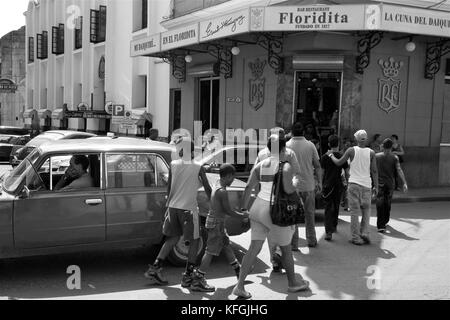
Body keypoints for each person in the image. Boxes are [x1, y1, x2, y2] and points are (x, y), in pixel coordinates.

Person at [233, 135, 310, 299]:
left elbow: (248, 188)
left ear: (268, 149)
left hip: (257, 207)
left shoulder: (261, 164)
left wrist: (243, 209)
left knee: (253, 248)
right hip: (274, 210)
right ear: (283, 149)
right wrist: (295, 184)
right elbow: (289, 190)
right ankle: (293, 284)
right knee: (286, 249)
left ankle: (239, 286)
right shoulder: (286, 166)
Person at [144, 138, 212, 288]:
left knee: (172, 238)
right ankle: (188, 276)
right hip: (188, 209)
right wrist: (213, 204)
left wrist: (168, 206)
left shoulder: (173, 165)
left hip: (173, 207)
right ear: (192, 151)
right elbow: (207, 187)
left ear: (181, 151)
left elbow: (169, 188)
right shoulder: (198, 166)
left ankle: (155, 267)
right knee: (195, 240)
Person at [192, 164, 249, 292]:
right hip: (217, 223)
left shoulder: (218, 184)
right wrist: (243, 215)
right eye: (233, 178)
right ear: (228, 176)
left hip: (216, 222)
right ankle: (198, 279)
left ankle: (238, 271)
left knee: (226, 245)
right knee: (210, 251)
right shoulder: (222, 191)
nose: (233, 181)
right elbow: (228, 210)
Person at [255, 128, 301, 272]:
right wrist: (294, 186)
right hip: (284, 199)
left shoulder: (262, 154)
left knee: (272, 231)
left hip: (267, 198)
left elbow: (256, 176)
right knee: (288, 227)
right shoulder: (288, 154)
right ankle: (280, 257)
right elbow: (296, 173)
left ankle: (276, 259)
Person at [328, 130, 378, 245]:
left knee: (355, 212)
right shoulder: (371, 152)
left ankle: (355, 237)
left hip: (354, 184)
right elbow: (374, 171)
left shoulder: (351, 150)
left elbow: (339, 162)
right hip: (367, 185)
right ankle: (365, 232)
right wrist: (376, 186)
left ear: (356, 139)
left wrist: (331, 156)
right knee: (366, 210)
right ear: (365, 139)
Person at [287, 122, 322, 248]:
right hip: (309, 185)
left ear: (291, 132)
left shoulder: (287, 146)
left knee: (293, 216)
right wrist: (320, 183)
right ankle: (311, 240)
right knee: (310, 214)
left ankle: (294, 244)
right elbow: (317, 166)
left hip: (292, 187)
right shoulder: (310, 145)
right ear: (303, 132)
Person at [320, 135, 349, 241]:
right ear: (339, 144)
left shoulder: (324, 157)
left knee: (328, 208)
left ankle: (328, 232)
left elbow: (322, 173)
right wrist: (347, 184)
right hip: (338, 185)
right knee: (336, 205)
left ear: (329, 144)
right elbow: (346, 172)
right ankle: (334, 225)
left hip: (327, 185)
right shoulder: (342, 156)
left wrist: (320, 184)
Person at [376, 138, 408, 233]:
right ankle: (385, 221)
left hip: (379, 183)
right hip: (390, 184)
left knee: (380, 203)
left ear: (382, 146)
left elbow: (372, 170)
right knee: (387, 203)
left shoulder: (376, 156)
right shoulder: (395, 157)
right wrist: (404, 182)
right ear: (391, 147)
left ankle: (381, 225)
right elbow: (399, 170)